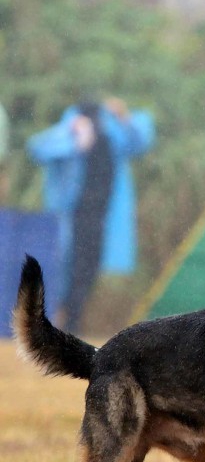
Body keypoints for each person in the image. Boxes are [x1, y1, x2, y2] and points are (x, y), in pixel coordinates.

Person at [27, 97, 154, 333]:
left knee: (87, 272)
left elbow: (140, 141)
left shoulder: (114, 132)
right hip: (70, 218)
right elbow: (37, 148)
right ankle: (53, 322)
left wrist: (124, 118)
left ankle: (71, 324)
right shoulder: (70, 129)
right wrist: (74, 140)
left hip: (102, 220)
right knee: (62, 270)